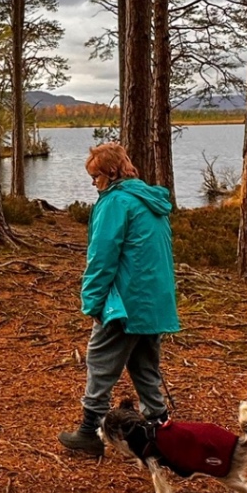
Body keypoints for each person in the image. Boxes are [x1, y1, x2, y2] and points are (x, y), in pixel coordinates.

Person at [59, 143, 180, 457]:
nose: (93, 182)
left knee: (100, 362)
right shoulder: (150, 201)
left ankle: (90, 431)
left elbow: (102, 257)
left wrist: (93, 302)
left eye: (96, 176)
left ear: (111, 172)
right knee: (144, 367)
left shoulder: (116, 202)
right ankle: (161, 431)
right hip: (154, 302)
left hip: (125, 303)